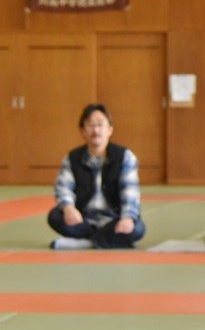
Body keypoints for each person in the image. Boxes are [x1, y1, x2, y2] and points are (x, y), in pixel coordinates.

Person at [48, 103, 145, 249]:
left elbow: (130, 191)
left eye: (100, 124)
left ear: (110, 130)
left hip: (114, 220)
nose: (96, 130)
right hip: (84, 220)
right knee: (55, 217)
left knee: (138, 229)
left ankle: (86, 243)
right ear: (82, 131)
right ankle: (103, 241)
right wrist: (68, 208)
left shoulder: (125, 156)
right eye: (90, 125)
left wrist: (127, 218)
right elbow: (63, 187)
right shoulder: (72, 158)